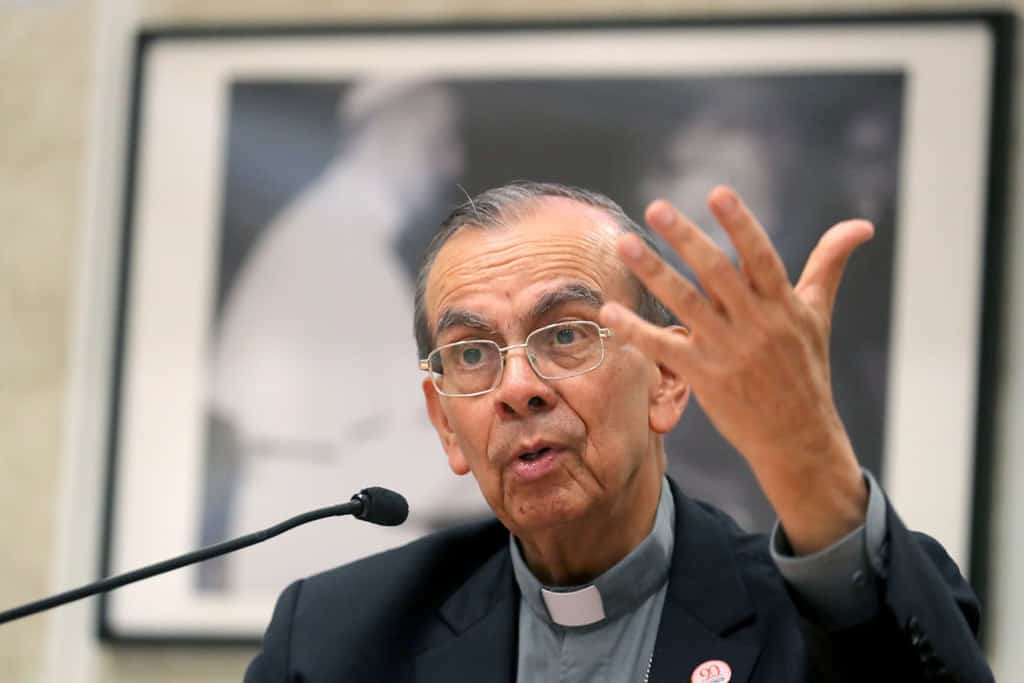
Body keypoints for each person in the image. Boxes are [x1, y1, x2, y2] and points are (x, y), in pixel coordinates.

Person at [244, 181, 992, 681]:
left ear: (667, 378)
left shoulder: (821, 618)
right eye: (472, 353)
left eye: (565, 335)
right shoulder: (334, 640)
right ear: (444, 421)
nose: (517, 388)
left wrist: (813, 466)